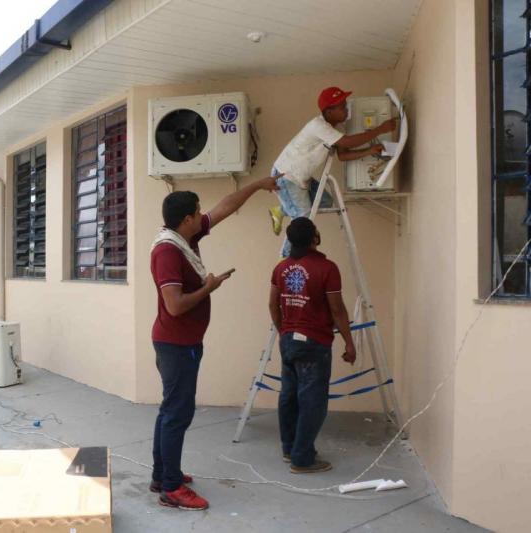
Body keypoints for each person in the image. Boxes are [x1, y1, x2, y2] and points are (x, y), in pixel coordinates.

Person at [150, 176, 279, 510]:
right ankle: (171, 489)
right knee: (177, 413)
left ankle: (163, 474)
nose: (202, 215)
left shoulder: (185, 237)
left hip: (184, 341)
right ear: (187, 220)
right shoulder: (168, 251)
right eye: (197, 212)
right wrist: (210, 287)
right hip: (176, 344)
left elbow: (225, 207)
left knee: (170, 409)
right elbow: (174, 305)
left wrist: (257, 185)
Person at [269, 217, 356, 473]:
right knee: (312, 402)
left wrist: (284, 331)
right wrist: (350, 342)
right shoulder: (327, 268)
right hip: (314, 343)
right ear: (314, 239)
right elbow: (337, 309)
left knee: (289, 396)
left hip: (289, 341)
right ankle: (302, 458)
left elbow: (273, 305)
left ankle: (290, 448)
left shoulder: (280, 268)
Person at [269, 86, 396, 256]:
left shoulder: (336, 130)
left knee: (325, 202)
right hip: (286, 176)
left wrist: (370, 151)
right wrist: (380, 129)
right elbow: (348, 142)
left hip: (301, 177)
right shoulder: (318, 125)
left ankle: (281, 210)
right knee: (303, 220)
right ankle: (285, 259)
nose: (346, 109)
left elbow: (343, 155)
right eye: (342, 106)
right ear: (329, 111)